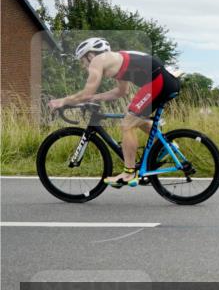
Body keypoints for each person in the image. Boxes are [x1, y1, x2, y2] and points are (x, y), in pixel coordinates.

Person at [47, 38, 181, 187]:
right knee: (132, 115)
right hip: (165, 81)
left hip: (159, 82)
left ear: (90, 55)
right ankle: (167, 145)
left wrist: (63, 101)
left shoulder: (98, 60)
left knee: (127, 124)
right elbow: (121, 91)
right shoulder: (116, 61)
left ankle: (129, 173)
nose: (83, 65)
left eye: (82, 60)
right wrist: (95, 98)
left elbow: (86, 93)